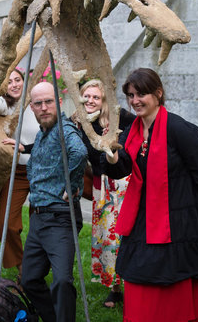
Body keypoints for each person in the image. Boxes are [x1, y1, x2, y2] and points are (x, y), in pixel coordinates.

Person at [104, 68, 198, 322]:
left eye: (141, 94)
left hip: (177, 228)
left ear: (158, 93)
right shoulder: (133, 131)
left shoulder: (181, 129)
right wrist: (112, 157)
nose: (135, 101)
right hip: (141, 224)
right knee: (138, 286)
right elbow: (124, 166)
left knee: (172, 293)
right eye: (131, 95)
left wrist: (184, 205)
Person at [20, 82, 88, 322]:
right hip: (39, 218)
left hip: (60, 216)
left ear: (58, 103)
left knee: (61, 281)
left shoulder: (64, 129)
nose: (44, 107)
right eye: (38, 103)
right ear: (31, 107)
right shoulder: (42, 132)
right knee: (28, 279)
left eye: (49, 101)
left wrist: (73, 182)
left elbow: (79, 152)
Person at [73, 79, 135, 308]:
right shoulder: (77, 122)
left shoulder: (119, 118)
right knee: (106, 238)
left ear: (104, 101)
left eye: (96, 97)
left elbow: (141, 127)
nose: (90, 101)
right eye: (86, 96)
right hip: (100, 187)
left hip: (120, 184)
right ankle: (115, 289)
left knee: (122, 236)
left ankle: (133, 287)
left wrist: (121, 141)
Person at [0, 69, 40, 281]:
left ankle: (38, 267)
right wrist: (3, 94)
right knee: (5, 223)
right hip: (16, 171)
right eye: (9, 82)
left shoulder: (37, 102)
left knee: (41, 223)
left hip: (41, 169)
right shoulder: (5, 106)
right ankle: (21, 266)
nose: (15, 85)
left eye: (18, 80)